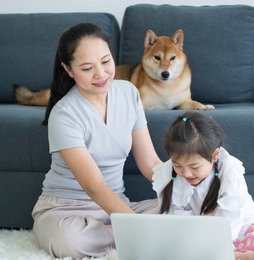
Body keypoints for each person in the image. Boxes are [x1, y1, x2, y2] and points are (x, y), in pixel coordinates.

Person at [31, 23, 161, 259]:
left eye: (105, 61)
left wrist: (186, 185)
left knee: (185, 210)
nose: (101, 74)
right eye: (87, 68)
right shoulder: (65, 114)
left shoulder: (129, 93)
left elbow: (150, 162)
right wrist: (136, 226)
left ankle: (116, 232)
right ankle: (134, 233)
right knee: (71, 241)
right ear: (68, 70)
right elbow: (94, 187)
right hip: (65, 211)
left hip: (115, 206)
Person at [152, 111, 254, 260]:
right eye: (178, 165)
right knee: (157, 235)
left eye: (194, 167)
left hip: (241, 229)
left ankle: (225, 254)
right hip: (200, 234)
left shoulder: (230, 171)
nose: (186, 173)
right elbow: (172, 217)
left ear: (215, 155)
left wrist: (217, 245)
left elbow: (231, 219)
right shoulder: (167, 173)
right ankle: (230, 255)